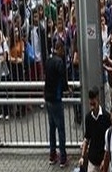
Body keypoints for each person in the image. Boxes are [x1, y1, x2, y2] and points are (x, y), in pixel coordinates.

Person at [44, 40, 69, 168]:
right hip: (56, 99)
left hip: (47, 99)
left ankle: (52, 155)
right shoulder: (59, 62)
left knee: (52, 129)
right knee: (61, 129)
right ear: (58, 49)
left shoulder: (48, 61)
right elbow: (62, 79)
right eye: (62, 50)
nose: (63, 52)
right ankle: (63, 157)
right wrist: (67, 89)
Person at [79, 87, 111, 172]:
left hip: (104, 160)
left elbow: (109, 141)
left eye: (94, 104)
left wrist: (106, 160)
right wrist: (82, 156)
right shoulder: (88, 118)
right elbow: (87, 138)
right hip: (92, 160)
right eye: (91, 104)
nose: (92, 107)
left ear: (98, 99)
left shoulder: (106, 117)